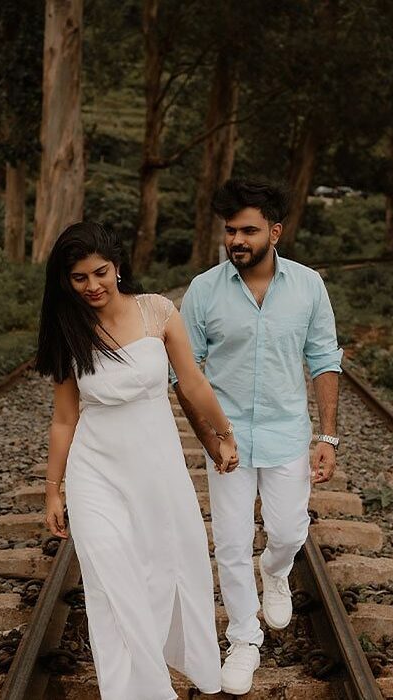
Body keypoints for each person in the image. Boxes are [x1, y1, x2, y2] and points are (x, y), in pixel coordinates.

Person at [35, 222, 239, 699]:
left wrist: (224, 434)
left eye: (100, 273)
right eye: (79, 278)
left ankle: (167, 665)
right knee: (111, 584)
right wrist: (53, 489)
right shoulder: (69, 329)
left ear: (118, 266)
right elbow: (64, 420)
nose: (92, 286)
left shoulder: (159, 312)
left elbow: (192, 384)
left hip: (156, 470)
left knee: (164, 567)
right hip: (95, 473)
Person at [173, 178, 344, 695]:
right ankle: (244, 639)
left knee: (289, 530)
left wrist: (328, 437)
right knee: (228, 542)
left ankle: (276, 569)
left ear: (275, 231)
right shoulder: (204, 290)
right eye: (230, 231)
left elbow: (324, 359)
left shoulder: (309, 285)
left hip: (287, 431)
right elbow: (186, 373)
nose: (237, 240)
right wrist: (211, 439)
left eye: (248, 230)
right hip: (228, 439)